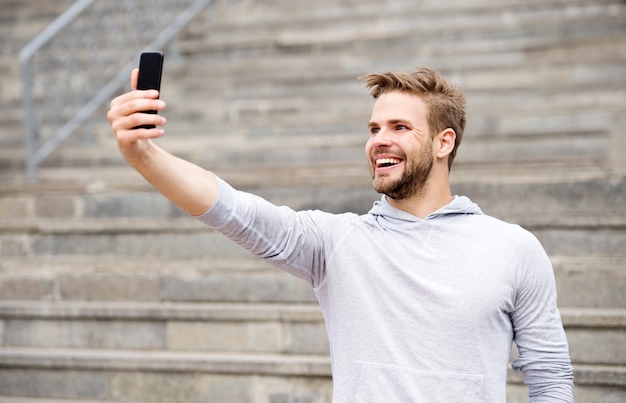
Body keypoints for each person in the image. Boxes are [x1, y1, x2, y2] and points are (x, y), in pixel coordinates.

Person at [108, 66, 575, 402]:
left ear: (443, 142)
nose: (378, 140)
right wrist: (144, 157)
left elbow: (551, 379)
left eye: (399, 127)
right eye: (373, 128)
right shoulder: (336, 242)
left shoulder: (513, 248)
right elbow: (233, 210)